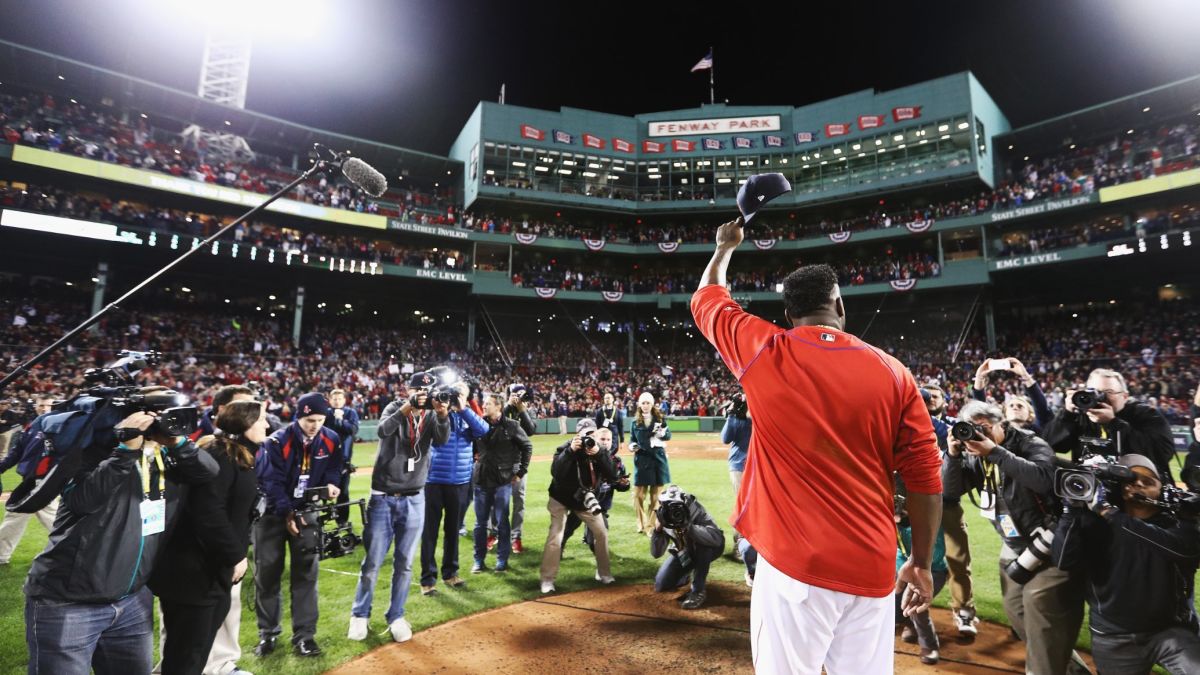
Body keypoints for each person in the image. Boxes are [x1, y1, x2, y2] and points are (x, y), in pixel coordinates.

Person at [690, 218, 941, 674]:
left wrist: (724, 248)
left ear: (788, 317)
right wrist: (921, 562)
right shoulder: (894, 373)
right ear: (839, 305)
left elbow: (707, 298)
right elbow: (925, 476)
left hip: (793, 567)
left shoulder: (765, 349)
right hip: (872, 566)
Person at [24, 398, 218, 674]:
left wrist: (178, 443)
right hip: (69, 601)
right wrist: (126, 449)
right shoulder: (89, 454)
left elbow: (208, 471)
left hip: (132, 601)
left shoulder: (164, 458)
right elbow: (83, 500)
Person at [943, 400, 1086, 675]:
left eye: (984, 428)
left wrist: (995, 452)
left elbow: (1043, 478)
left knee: (1039, 609)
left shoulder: (1031, 443)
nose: (977, 435)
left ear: (1002, 424)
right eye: (972, 429)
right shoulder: (973, 453)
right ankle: (1073, 671)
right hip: (1013, 544)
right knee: (1015, 609)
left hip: (1050, 542)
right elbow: (950, 492)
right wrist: (952, 455)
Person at [1053, 454, 1200, 674]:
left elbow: (1183, 551)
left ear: (1162, 488)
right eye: (1131, 480)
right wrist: (1070, 512)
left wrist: (1109, 512)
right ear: (1118, 487)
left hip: (1172, 630)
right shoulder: (1093, 521)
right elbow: (1064, 560)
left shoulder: (1177, 523)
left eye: (1149, 481)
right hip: (1115, 636)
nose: (1139, 484)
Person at [150, 401, 265, 674]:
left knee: (194, 654)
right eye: (261, 420)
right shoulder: (220, 454)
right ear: (245, 424)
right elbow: (207, 512)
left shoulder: (230, 452)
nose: (267, 425)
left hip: (207, 571)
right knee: (186, 658)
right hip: (194, 572)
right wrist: (235, 555)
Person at [348, 384, 449, 643]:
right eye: (419, 389)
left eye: (429, 389)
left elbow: (442, 439)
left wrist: (442, 414)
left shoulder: (430, 415)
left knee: (404, 564)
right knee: (372, 562)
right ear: (409, 389)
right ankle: (360, 614)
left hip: (415, 497)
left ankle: (396, 615)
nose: (425, 393)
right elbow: (383, 430)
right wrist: (407, 408)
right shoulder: (394, 407)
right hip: (384, 496)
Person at [253, 392, 344, 658]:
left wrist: (331, 483)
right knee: (267, 575)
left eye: (319, 419)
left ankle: (304, 637)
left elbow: (334, 467)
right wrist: (288, 513)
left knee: (306, 575)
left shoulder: (331, 438)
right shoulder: (277, 440)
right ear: (298, 417)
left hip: (308, 512)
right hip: (271, 514)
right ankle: (267, 635)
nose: (315, 425)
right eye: (309, 420)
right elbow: (272, 483)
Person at [1043, 368, 1176, 481]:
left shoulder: (1145, 414)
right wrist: (1067, 414)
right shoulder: (1079, 416)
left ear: (1125, 396)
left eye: (1109, 392)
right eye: (1093, 391)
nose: (1101, 397)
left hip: (1137, 492)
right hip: (1091, 492)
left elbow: (1162, 454)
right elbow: (1051, 445)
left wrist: (1113, 423)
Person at [420, 381, 487, 596]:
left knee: (453, 531)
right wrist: (444, 410)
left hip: (459, 482)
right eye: (455, 391)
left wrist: (463, 408)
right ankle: (427, 579)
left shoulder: (468, 414)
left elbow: (483, 430)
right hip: (434, 481)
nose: (458, 395)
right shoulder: (437, 413)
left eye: (463, 392)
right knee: (430, 532)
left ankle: (450, 574)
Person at [922, 384, 979, 640]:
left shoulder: (955, 426)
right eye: (924, 396)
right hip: (916, 501)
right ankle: (910, 614)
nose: (929, 399)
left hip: (947, 502)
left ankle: (964, 611)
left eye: (934, 396)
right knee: (907, 557)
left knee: (957, 559)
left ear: (945, 400)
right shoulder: (907, 423)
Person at [539, 423, 617, 594]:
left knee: (601, 532)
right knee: (556, 536)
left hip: (584, 501)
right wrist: (570, 452)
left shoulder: (599, 450)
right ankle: (547, 579)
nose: (587, 439)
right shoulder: (565, 448)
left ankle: (603, 573)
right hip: (561, 498)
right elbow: (556, 473)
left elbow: (613, 475)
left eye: (591, 435)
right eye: (585, 435)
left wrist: (599, 455)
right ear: (577, 435)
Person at [473, 393, 533, 573]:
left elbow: (527, 446)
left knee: (502, 521)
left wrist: (521, 471)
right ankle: (478, 560)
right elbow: (470, 445)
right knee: (480, 523)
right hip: (482, 479)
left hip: (502, 481)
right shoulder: (478, 423)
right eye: (484, 403)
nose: (484, 406)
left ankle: (502, 560)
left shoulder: (512, 425)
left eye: (488, 404)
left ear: (499, 407)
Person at [894, 478, 949, 666]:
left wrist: (911, 565)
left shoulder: (926, 522)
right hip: (900, 574)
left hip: (934, 572)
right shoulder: (893, 523)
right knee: (893, 605)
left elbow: (937, 554)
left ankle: (929, 644)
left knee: (915, 598)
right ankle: (906, 623)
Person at [0, 395, 57, 565]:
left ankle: (75, 549)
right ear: (37, 406)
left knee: (17, 513)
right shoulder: (32, 426)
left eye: (47, 404)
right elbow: (16, 452)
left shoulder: (59, 426)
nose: (44, 407)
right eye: (41, 404)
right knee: (51, 519)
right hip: (32, 480)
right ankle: (75, 550)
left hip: (43, 480)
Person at [650, 485, 725, 610]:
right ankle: (684, 575)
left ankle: (698, 591)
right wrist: (658, 531)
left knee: (702, 547)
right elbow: (656, 553)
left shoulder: (696, 510)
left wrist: (689, 527)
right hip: (684, 551)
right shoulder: (664, 516)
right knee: (661, 585)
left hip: (710, 548)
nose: (673, 510)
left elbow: (716, 539)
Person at [560, 425, 629, 554]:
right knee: (569, 527)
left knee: (598, 539)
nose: (605, 442)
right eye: (602, 439)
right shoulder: (585, 458)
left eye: (608, 439)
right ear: (595, 439)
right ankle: (559, 546)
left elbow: (619, 484)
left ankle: (590, 539)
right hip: (582, 503)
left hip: (600, 507)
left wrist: (624, 484)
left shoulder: (617, 462)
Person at [488, 384, 536, 555]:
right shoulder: (504, 409)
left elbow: (531, 431)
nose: (519, 398)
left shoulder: (527, 410)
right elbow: (496, 423)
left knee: (519, 502)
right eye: (516, 394)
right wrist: (508, 405)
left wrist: (522, 410)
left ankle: (515, 537)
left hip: (517, 463)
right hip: (500, 463)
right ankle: (493, 533)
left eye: (521, 395)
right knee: (496, 501)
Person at [629, 391, 671, 534]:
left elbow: (668, 435)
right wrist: (631, 446)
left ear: (652, 404)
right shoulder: (635, 422)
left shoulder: (660, 419)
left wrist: (661, 434)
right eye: (643, 403)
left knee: (656, 498)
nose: (645, 405)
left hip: (658, 461)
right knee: (637, 496)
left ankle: (651, 526)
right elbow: (632, 440)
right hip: (641, 461)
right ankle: (641, 523)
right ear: (639, 405)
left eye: (648, 403)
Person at [325, 389, 360, 526]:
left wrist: (341, 420)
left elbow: (353, 430)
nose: (337, 401)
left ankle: (342, 521)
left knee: (343, 493)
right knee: (317, 492)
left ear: (344, 400)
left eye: (339, 399)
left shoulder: (351, 413)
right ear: (330, 400)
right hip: (325, 459)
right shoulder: (326, 414)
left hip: (344, 460)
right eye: (334, 399)